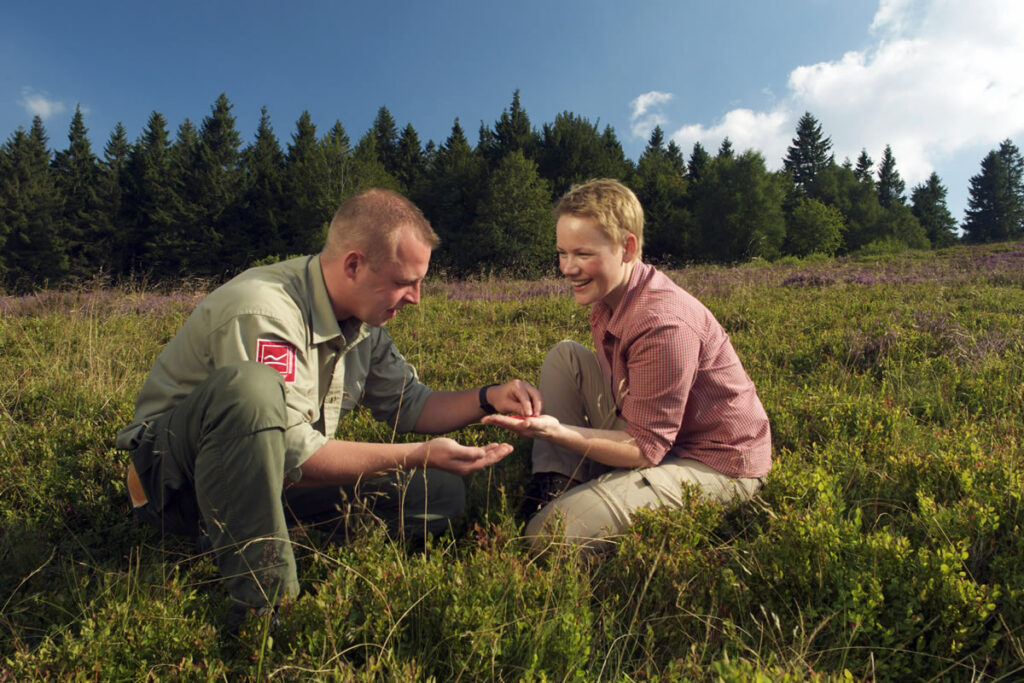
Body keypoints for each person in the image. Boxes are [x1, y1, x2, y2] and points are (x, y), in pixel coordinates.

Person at [117, 188, 541, 626]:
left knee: (441, 492)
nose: (416, 298)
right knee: (252, 389)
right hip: (174, 487)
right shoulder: (265, 309)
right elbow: (292, 449)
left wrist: (488, 397)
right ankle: (266, 610)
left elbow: (411, 404)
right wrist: (415, 454)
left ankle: (262, 535)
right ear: (353, 264)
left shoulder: (363, 322)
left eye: (420, 282)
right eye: (403, 282)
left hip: (272, 478)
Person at [483, 179, 771, 553]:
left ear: (627, 247)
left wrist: (555, 431)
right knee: (565, 356)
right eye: (562, 253)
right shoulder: (609, 296)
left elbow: (643, 449)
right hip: (666, 435)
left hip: (713, 461)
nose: (568, 269)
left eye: (582, 254)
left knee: (546, 537)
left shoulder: (663, 323)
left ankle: (567, 504)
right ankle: (556, 485)